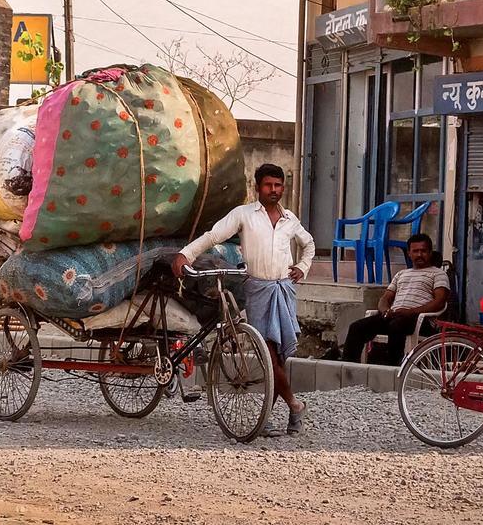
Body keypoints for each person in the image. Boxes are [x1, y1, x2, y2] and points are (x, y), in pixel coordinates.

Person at [171, 163, 315, 437]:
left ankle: (272, 417)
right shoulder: (244, 215)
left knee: (278, 357)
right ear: (257, 187)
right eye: (268, 185)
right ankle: (295, 405)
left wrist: (303, 267)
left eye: (278, 185)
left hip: (284, 289)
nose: (274, 190)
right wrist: (185, 255)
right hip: (257, 289)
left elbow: (308, 244)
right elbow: (214, 236)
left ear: (283, 187)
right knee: (269, 356)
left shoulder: (290, 219)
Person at [343, 233, 449, 366]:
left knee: (396, 325)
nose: (419, 255)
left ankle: (392, 369)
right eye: (415, 251)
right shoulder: (401, 274)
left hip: (420, 320)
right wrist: (385, 310)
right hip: (394, 316)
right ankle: (348, 370)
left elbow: (439, 302)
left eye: (423, 251)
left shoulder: (438, 274)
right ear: (409, 253)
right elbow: (385, 298)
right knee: (356, 327)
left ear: (430, 253)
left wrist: (410, 312)